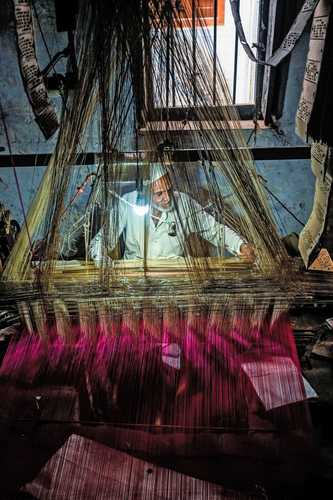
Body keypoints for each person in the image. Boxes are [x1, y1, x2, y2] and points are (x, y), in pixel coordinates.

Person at [89, 164, 255, 263]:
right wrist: (102, 261)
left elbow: (214, 230)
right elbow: (102, 240)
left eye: (169, 190)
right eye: (159, 194)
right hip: (135, 275)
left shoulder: (184, 203)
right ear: (145, 192)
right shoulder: (128, 202)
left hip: (174, 274)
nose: (167, 198)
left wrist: (240, 245)